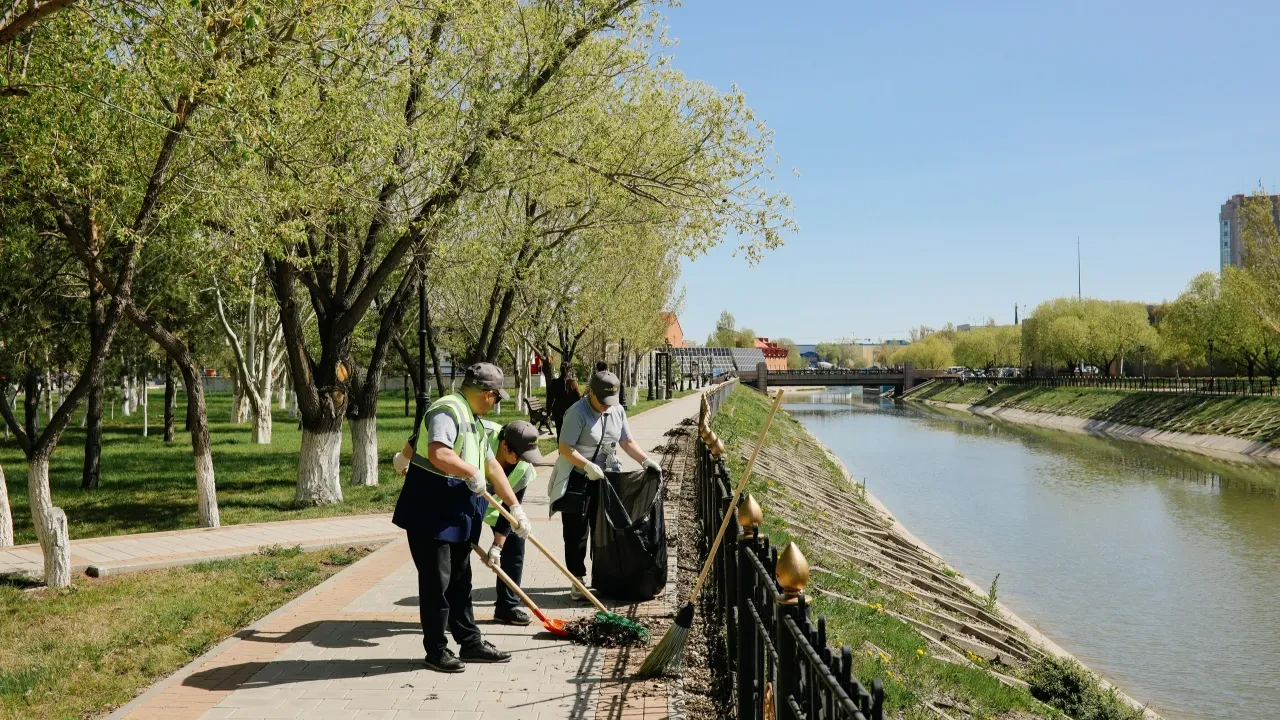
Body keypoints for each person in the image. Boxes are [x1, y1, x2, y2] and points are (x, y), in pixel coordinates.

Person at [391, 363, 530, 674]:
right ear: (486, 393)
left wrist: (515, 507)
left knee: (459, 581)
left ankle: (469, 642)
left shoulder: (474, 420)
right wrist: (471, 471)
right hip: (431, 511)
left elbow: (492, 465)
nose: (496, 403)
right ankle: (437, 650)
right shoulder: (448, 410)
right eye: (497, 397)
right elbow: (439, 452)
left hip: (455, 512)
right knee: (436, 583)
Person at [548, 370, 660, 599]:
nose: (606, 406)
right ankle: (577, 578)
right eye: (602, 401)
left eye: (611, 401)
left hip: (606, 478)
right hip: (577, 477)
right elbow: (565, 448)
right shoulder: (577, 413)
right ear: (591, 392)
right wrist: (587, 466)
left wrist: (645, 460)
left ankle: (607, 574)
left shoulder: (616, 410)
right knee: (576, 531)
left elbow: (626, 442)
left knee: (606, 529)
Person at [478, 419, 542, 625]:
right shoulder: (482, 436)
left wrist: (497, 546)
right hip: (464, 503)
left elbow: (510, 510)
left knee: (515, 542)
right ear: (505, 445)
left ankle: (507, 607)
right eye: (520, 456)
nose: (524, 461)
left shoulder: (524, 467)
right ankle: (456, 614)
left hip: (496, 508)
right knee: (457, 553)